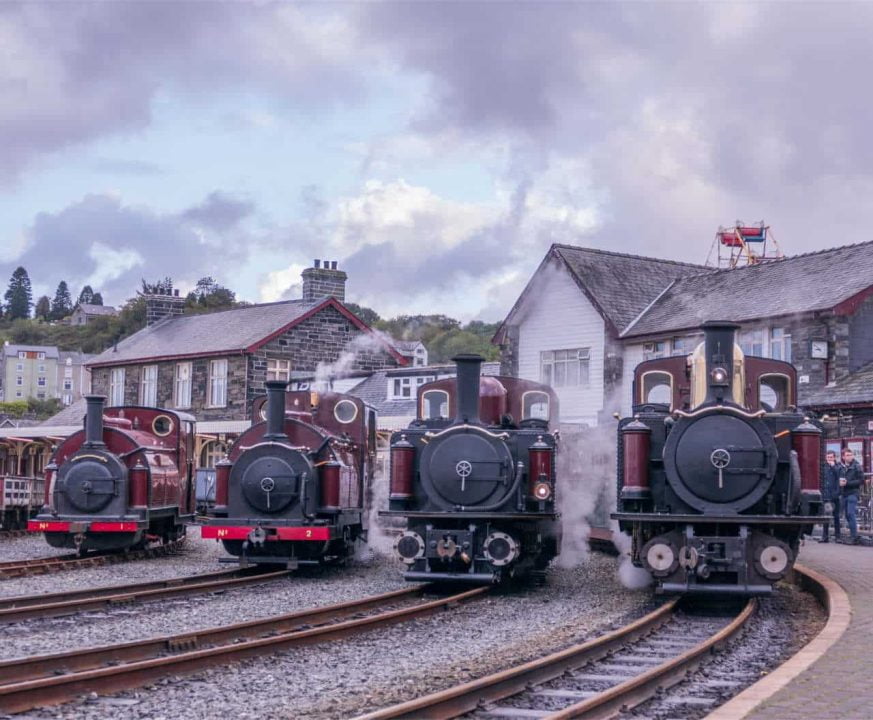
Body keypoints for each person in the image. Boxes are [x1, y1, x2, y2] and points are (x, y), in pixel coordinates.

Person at [839, 448, 864, 545]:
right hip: (844, 493)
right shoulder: (842, 467)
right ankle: (853, 535)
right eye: (847, 455)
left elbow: (861, 480)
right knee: (847, 515)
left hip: (853, 493)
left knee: (850, 513)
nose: (849, 457)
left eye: (851, 455)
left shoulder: (857, 466)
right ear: (843, 457)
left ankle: (854, 536)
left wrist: (847, 483)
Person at [821, 450, 841, 542]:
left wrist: (833, 467)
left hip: (835, 495)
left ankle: (838, 537)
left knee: (836, 516)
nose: (829, 459)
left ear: (834, 458)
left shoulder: (838, 466)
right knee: (826, 516)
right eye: (828, 457)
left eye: (831, 457)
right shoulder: (823, 467)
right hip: (827, 495)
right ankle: (825, 536)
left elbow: (840, 476)